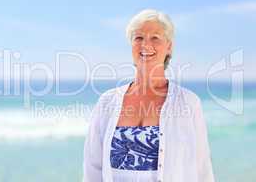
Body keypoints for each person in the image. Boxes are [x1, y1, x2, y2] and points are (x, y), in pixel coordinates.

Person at [83, 9, 215, 182]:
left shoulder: (188, 103)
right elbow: (92, 167)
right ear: (131, 44)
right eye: (138, 38)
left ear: (169, 46)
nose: (145, 45)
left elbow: (202, 169)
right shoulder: (107, 101)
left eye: (155, 38)